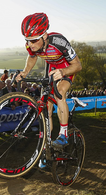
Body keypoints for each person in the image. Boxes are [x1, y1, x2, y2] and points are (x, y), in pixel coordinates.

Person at [17, 13, 82, 153]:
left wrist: (63, 72)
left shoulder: (59, 42)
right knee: (46, 105)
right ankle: (47, 146)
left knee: (59, 93)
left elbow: (78, 66)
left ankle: (63, 133)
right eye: (27, 40)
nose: (30, 44)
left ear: (45, 35)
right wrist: (25, 72)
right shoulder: (31, 45)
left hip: (66, 67)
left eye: (33, 40)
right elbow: (32, 57)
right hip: (51, 69)